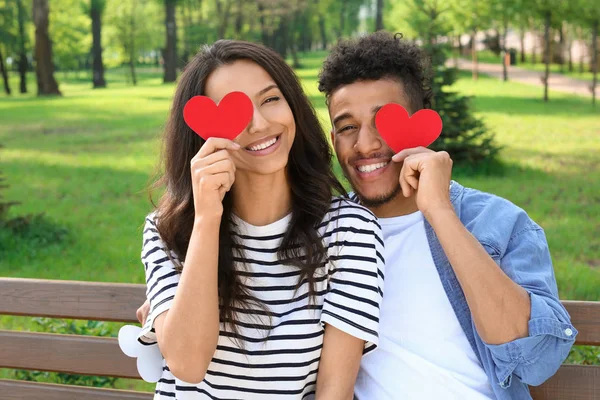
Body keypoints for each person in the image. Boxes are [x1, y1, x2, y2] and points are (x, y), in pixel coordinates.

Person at [316, 32, 577, 399]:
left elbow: (535, 360)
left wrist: (439, 211)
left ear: (418, 125)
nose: (366, 144)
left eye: (384, 121)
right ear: (333, 140)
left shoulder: (497, 223)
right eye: (347, 127)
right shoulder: (325, 235)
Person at [134, 39, 384, 399]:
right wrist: (207, 220)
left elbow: (334, 391)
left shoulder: (349, 230)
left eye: (270, 100)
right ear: (202, 132)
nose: (259, 124)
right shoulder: (168, 230)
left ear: (293, 106)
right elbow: (187, 364)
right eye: (232, 111)